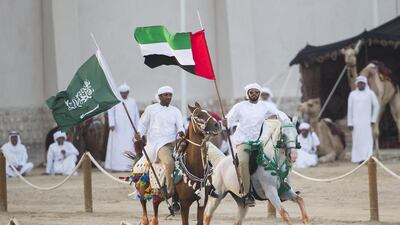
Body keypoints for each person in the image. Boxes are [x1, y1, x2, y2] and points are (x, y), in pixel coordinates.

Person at [222, 83, 279, 207]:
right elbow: (228, 120)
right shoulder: (239, 106)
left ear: (259, 93)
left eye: (256, 92)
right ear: (247, 94)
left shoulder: (265, 106)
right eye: (251, 92)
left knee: (273, 160)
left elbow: (278, 114)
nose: (254, 94)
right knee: (243, 162)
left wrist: (286, 120)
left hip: (259, 142)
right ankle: (247, 194)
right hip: (243, 142)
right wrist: (224, 122)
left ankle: (281, 188)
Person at [135, 86, 185, 197]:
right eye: (166, 95)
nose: (168, 97)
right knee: (169, 163)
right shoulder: (151, 109)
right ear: (160, 96)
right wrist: (139, 133)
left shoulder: (175, 111)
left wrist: (181, 131)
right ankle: (169, 190)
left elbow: (180, 126)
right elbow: (142, 124)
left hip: (175, 141)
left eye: (170, 95)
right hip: (160, 144)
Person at [105, 82, 140, 172]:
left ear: (128, 92)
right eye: (122, 93)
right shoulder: (115, 101)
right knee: (117, 147)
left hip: (130, 129)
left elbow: (136, 115)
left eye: (125, 92)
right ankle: (116, 167)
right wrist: (111, 124)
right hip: (117, 129)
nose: (124, 94)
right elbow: (111, 113)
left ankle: (129, 166)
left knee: (130, 146)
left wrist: (137, 128)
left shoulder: (133, 101)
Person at [347, 76, 379, 164]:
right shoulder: (352, 94)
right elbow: (349, 109)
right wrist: (350, 122)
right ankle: (359, 159)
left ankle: (368, 157)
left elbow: (376, 106)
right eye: (359, 83)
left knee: (368, 140)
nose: (360, 85)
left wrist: (373, 119)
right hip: (356, 123)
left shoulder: (370, 93)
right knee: (357, 140)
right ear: (356, 84)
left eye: (362, 83)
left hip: (367, 122)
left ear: (365, 84)